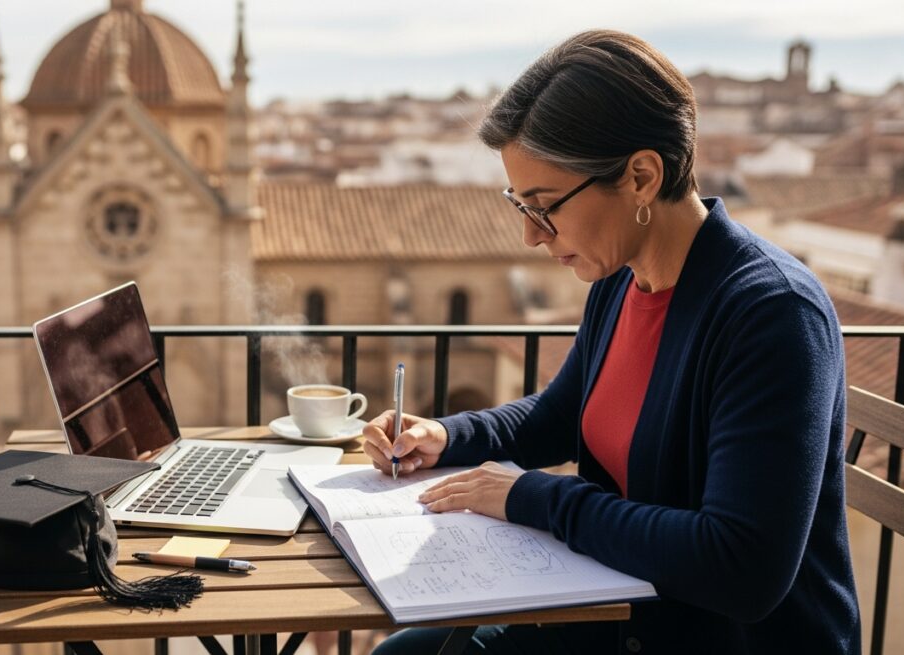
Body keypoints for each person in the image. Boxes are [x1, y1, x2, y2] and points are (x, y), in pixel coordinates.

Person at [364, 29, 860, 655]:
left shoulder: (771, 314)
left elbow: (740, 567)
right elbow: (561, 414)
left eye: (545, 205)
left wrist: (535, 498)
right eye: (520, 204)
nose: (531, 235)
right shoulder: (622, 280)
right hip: (624, 616)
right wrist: (446, 435)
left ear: (641, 177)